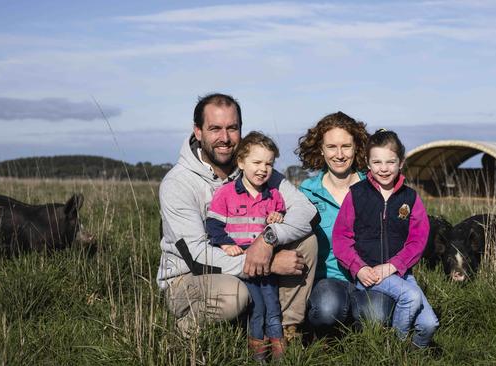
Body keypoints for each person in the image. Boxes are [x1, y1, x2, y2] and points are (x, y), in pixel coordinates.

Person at [156, 93, 317, 341]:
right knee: (234, 296)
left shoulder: (255, 168)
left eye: (232, 128)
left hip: (243, 260)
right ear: (198, 131)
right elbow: (196, 257)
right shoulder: (178, 183)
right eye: (215, 129)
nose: (225, 138)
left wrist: (268, 239)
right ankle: (186, 332)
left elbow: (308, 212)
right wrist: (267, 264)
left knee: (307, 241)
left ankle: (283, 329)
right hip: (189, 277)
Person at [332, 129, 439, 349]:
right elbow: (341, 238)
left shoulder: (410, 198)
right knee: (411, 297)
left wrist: (393, 266)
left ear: (401, 162)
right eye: (377, 162)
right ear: (367, 164)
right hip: (368, 272)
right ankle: (396, 350)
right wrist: (359, 268)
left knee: (429, 324)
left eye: (390, 162)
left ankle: (413, 354)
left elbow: (418, 240)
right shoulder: (357, 194)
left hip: (399, 272)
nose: (384, 168)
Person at [297, 112, 394, 336]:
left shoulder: (376, 187)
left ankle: (363, 329)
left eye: (346, 146)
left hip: (373, 276)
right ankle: (328, 338)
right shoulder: (307, 192)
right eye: (332, 147)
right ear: (321, 149)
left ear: (357, 148)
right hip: (328, 278)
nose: (339, 155)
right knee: (327, 310)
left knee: (376, 318)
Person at [205, 131, 287, 360]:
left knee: (273, 307)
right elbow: (212, 225)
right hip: (241, 264)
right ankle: (258, 356)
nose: (263, 169)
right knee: (257, 308)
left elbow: (281, 216)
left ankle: (280, 356)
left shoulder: (274, 195)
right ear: (241, 162)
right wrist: (224, 244)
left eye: (269, 164)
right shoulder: (226, 193)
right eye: (257, 162)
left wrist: (278, 217)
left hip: (266, 264)